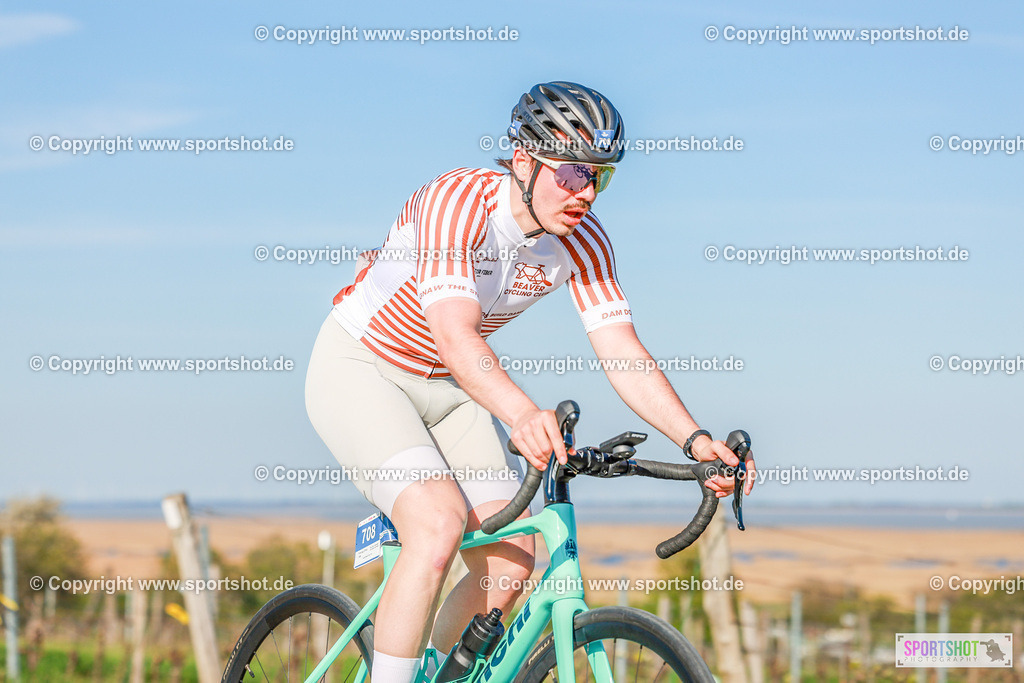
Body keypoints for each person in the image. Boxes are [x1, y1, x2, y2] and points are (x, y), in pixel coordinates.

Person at [304, 80, 756, 683]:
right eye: (572, 173)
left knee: (514, 562)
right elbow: (455, 335)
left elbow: (621, 350)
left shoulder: (583, 242)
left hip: (452, 392)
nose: (587, 193)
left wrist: (696, 442)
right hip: (364, 368)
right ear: (524, 159)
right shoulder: (455, 203)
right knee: (437, 525)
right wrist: (521, 414)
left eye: (601, 176)